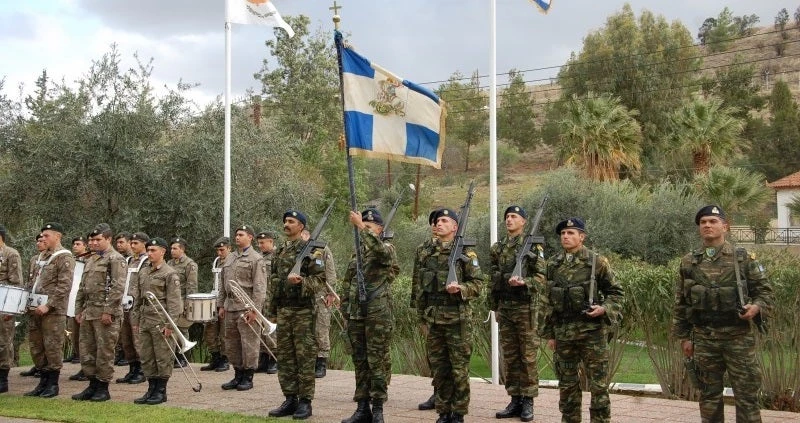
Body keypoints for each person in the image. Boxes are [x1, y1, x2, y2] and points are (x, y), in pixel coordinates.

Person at [671, 205, 774, 422]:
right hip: (704, 339)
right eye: (703, 222)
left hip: (738, 339)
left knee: (747, 397)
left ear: (725, 226)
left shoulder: (743, 259)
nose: (707, 225)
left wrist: (755, 308)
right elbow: (681, 302)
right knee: (708, 398)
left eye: (713, 221)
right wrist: (684, 338)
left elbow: (765, 293)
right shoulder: (689, 261)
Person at [541, 218, 624, 423]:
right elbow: (547, 300)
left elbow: (616, 293)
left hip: (592, 334)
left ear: (582, 237)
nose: (566, 237)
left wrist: (604, 309)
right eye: (563, 233)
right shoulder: (553, 264)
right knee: (567, 386)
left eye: (571, 233)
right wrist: (550, 334)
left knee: (598, 387)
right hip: (564, 334)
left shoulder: (596, 262)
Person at [414, 208, 483, 423]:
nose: (439, 223)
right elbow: (418, 287)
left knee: (459, 370)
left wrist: (461, 288)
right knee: (440, 369)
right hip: (434, 319)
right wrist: (421, 318)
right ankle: (443, 412)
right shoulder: (425, 252)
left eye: (444, 220)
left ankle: (458, 414)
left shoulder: (466, 253)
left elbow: (478, 284)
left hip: (457, 320)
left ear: (455, 226)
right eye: (437, 221)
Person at [340, 208, 399, 423]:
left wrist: (360, 226)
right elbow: (348, 282)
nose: (363, 229)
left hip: (377, 314)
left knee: (377, 361)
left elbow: (381, 252)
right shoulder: (357, 253)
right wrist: (345, 309)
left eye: (369, 226)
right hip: (356, 313)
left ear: (379, 229)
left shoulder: (387, 248)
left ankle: (378, 409)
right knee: (360, 362)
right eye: (362, 225)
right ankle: (362, 407)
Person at [490, 206, 546, 422]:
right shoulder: (498, 248)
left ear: (523, 221)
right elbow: (493, 279)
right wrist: (495, 307)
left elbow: (542, 277)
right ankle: (515, 400)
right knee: (511, 356)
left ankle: (528, 401)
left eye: (514, 216)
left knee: (527, 357)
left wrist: (525, 282)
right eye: (507, 217)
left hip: (525, 308)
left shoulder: (533, 246)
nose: (509, 220)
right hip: (506, 308)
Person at [268, 210, 326, 420]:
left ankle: (305, 402)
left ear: (301, 226)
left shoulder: (313, 250)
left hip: (303, 312)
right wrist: (272, 311)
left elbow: (320, 280)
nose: (286, 224)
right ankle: (290, 399)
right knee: (285, 358)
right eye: (285, 221)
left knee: (304, 358)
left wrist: (302, 283)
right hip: (284, 310)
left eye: (291, 221)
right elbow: (273, 282)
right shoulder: (280, 251)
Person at [71, 223, 127, 402]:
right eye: (92, 240)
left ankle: (103, 387)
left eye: (98, 240)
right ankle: (92, 384)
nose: (94, 243)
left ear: (108, 239)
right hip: (89, 312)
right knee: (87, 350)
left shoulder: (115, 259)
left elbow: (118, 287)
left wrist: (108, 311)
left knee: (104, 351)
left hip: (105, 313)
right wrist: (78, 309)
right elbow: (82, 287)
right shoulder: (91, 259)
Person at [24, 222, 76, 398]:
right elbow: (31, 282)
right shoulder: (38, 258)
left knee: (52, 346)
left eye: (47, 235)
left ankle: (52, 384)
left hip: (53, 311)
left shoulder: (64, 257)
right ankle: (42, 382)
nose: (43, 238)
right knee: (37, 346)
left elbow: (64, 286)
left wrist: (49, 305)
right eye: (42, 236)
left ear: (57, 236)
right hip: (35, 310)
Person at [130, 237, 183, 405]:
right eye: (148, 250)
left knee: (162, 357)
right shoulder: (144, 271)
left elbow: (174, 303)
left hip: (160, 320)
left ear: (163, 252)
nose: (149, 253)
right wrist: (135, 319)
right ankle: (151, 389)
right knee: (147, 356)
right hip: (145, 319)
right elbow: (138, 298)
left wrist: (170, 325)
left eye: (153, 250)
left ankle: (161, 391)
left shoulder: (169, 273)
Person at [217, 225, 266, 392]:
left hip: (246, 307)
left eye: (241, 234)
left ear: (250, 237)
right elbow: (223, 283)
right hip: (230, 306)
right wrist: (220, 304)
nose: (237, 237)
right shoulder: (230, 258)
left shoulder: (256, 259)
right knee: (232, 343)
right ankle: (237, 374)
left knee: (249, 343)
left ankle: (248, 376)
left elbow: (259, 287)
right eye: (236, 235)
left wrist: (255, 310)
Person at [413, 209, 440, 412]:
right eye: (433, 222)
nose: (436, 225)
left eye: (440, 221)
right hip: (430, 311)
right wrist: (419, 314)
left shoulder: (458, 248)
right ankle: (438, 392)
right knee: (434, 356)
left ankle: (453, 396)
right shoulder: (422, 249)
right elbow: (417, 282)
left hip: (452, 313)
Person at [301, 228, 337, 379]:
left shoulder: (321, 249)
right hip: (303, 295)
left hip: (321, 295)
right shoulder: (295, 249)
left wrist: (331, 293)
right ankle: (308, 361)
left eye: (304, 234)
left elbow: (330, 272)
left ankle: (321, 361)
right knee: (305, 329)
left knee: (321, 327)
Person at [115, 232, 149, 384]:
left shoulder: (147, 261)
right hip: (125, 305)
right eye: (132, 243)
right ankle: (132, 368)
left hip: (137, 306)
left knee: (138, 339)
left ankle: (142, 370)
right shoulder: (128, 260)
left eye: (136, 243)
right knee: (126, 339)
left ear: (144, 244)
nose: (132, 246)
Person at [200, 236, 230, 372]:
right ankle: (215, 357)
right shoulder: (217, 262)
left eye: (222, 250)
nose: (219, 253)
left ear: (229, 248)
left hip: (226, 301)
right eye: (217, 250)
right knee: (210, 330)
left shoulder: (232, 262)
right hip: (215, 299)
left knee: (224, 332)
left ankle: (225, 359)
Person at [20, 233, 47, 379]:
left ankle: (46, 368)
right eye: (38, 241)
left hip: (45, 303)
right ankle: (38, 365)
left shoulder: (54, 258)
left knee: (45, 338)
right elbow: (30, 280)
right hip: (32, 302)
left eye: (42, 241)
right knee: (34, 337)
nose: (39, 243)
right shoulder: (34, 259)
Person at [0, 224, 23, 393]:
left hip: (3, 305)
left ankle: (3, 378)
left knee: (3, 341)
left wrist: (10, 309)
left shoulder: (10, 254)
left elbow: (16, 283)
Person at [168, 237, 198, 368]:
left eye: (175, 248)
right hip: (171, 300)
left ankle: (182, 357)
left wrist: (188, 304)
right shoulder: (169, 263)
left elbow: (192, 286)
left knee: (182, 328)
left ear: (182, 249)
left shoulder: (190, 264)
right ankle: (172, 356)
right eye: (171, 248)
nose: (172, 251)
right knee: (171, 328)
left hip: (182, 300)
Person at [65, 235, 90, 369]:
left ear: (85, 246)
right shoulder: (72, 260)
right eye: (74, 244)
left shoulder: (89, 259)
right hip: (73, 297)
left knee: (82, 331)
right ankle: (75, 352)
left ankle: (82, 356)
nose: (75, 246)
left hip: (84, 298)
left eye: (78, 244)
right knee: (72, 329)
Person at [255, 231, 278, 374]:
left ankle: (275, 359)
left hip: (272, 298)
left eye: (263, 243)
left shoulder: (277, 257)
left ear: (271, 242)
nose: (260, 245)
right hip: (260, 298)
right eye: (259, 243)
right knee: (261, 329)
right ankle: (263, 359)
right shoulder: (258, 258)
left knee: (272, 330)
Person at [113, 231, 133, 366]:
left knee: (129, 328)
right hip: (121, 296)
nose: (118, 245)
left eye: (121, 242)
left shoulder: (135, 260)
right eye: (117, 243)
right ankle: (121, 353)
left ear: (129, 243)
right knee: (121, 329)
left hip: (130, 298)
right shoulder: (120, 258)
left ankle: (128, 355)